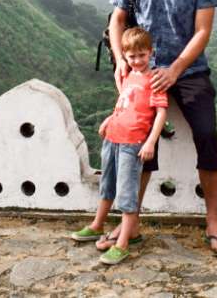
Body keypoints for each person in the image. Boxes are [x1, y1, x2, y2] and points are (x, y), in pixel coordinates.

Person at [103, 0, 217, 255]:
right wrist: (120, 61)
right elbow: (118, 20)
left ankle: (213, 221)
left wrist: (174, 70)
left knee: (207, 137)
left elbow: (202, 31)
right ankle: (130, 223)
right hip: (143, 74)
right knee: (137, 147)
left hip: (188, 71)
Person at [70, 27, 168, 265]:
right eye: (132, 56)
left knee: (127, 194)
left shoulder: (154, 79)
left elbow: (161, 113)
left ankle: (124, 242)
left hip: (132, 144)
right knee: (107, 186)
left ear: (150, 52)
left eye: (142, 55)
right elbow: (123, 103)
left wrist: (151, 142)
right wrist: (109, 118)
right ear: (124, 56)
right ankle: (97, 225)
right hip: (113, 138)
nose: (137, 60)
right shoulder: (127, 76)